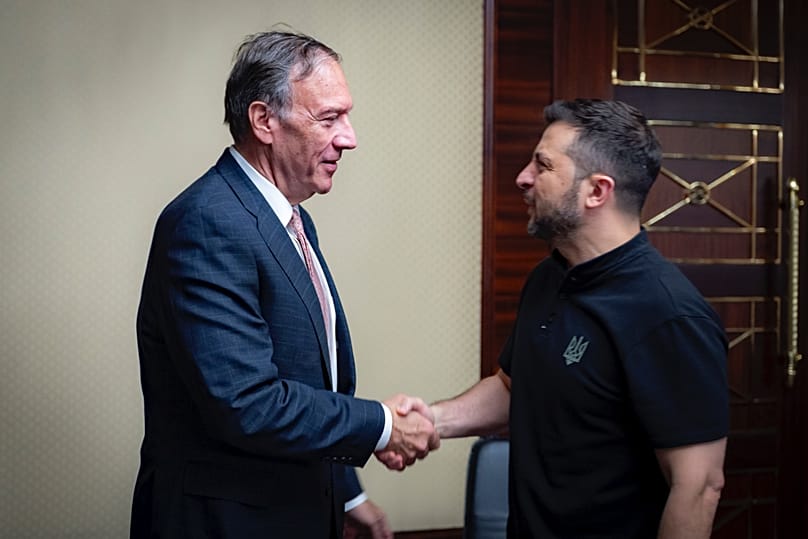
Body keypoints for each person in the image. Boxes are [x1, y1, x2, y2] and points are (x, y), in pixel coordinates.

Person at [131, 30, 437, 539]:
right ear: (264, 121)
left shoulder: (288, 218)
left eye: (347, 116)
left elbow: (308, 381)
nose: (349, 137)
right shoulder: (207, 222)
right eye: (329, 118)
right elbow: (249, 404)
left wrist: (346, 490)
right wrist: (382, 425)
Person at [393, 99, 729, 538]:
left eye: (543, 166)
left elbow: (698, 486)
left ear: (596, 191)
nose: (523, 178)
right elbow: (517, 388)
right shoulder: (548, 277)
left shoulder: (669, 314)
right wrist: (430, 421)